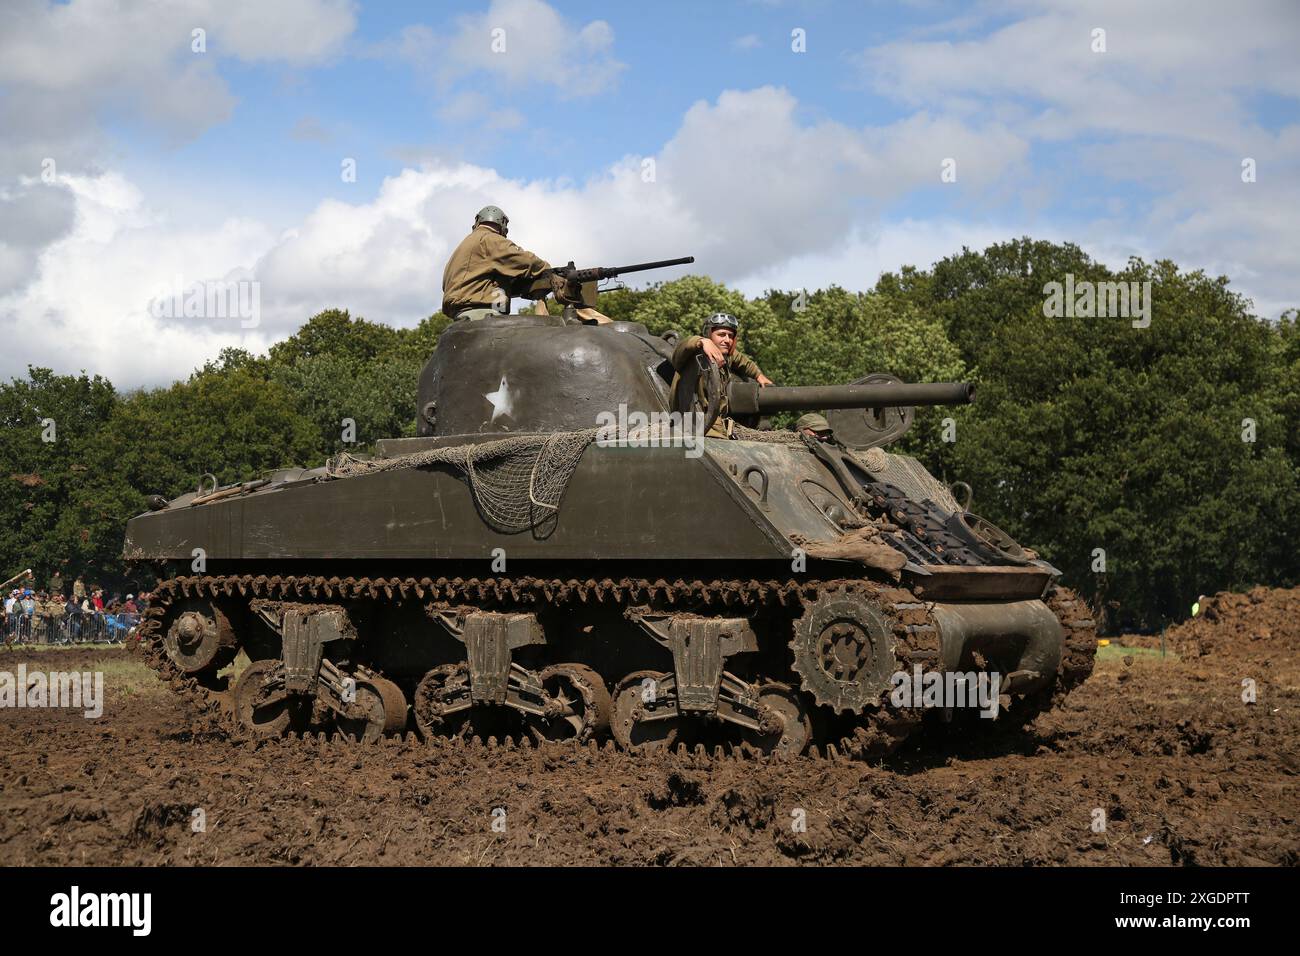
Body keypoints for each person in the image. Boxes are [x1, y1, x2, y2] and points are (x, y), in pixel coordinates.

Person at [442, 206, 587, 321]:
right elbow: (524, 260)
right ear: (502, 226)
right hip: (483, 315)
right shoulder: (489, 239)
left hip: (462, 316)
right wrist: (548, 271)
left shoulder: (462, 248)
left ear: (477, 222)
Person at [670, 312, 773, 438]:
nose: (727, 340)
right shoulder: (695, 355)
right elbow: (680, 351)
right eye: (721, 335)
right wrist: (702, 341)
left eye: (730, 336)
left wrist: (758, 375)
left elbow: (743, 361)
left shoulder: (725, 355)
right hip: (694, 423)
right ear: (709, 335)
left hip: (715, 423)